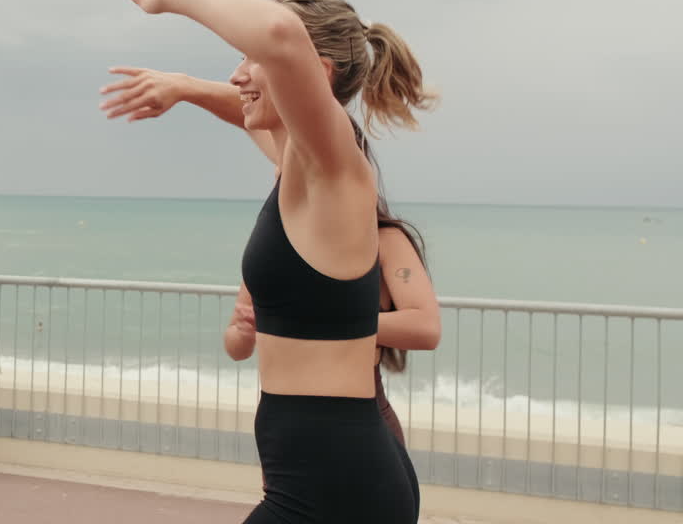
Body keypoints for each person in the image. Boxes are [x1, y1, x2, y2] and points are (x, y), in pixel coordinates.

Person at [104, 0, 435, 523]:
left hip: (338, 487)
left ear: (315, 73)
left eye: (249, 61)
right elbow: (253, 112)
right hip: (323, 478)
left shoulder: (335, 168)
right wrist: (183, 86)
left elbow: (280, 33)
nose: (237, 75)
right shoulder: (299, 168)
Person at [98, 67, 440, 445]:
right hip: (281, 429)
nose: (283, 176)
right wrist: (244, 332)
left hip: (354, 422)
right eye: (282, 167)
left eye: (294, 166)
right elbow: (236, 345)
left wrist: (315, 320)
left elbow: (425, 327)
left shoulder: (383, 239)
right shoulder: (276, 251)